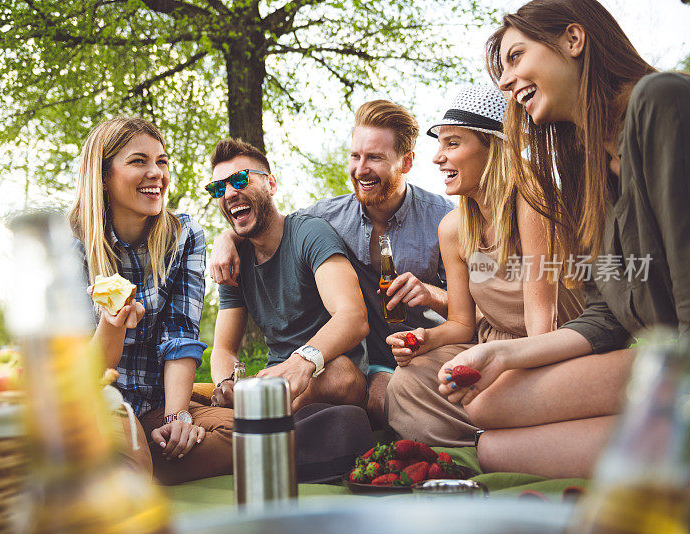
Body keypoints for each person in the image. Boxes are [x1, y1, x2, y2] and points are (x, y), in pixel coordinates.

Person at [437, 0, 689, 478]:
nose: (507, 82)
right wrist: (503, 353)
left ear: (573, 41)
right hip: (664, 367)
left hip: (680, 368)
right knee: (491, 433)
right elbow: (606, 316)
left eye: (515, 57)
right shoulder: (589, 169)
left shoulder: (662, 102)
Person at [210, 101, 454, 427]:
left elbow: (476, 309)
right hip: (379, 360)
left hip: (432, 345)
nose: (361, 168)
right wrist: (226, 239)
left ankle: (257, 420)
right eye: (355, 156)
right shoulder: (327, 216)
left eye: (375, 158)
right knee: (379, 403)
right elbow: (270, 224)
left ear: (406, 162)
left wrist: (430, 294)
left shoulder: (444, 218)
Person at [384, 85, 583, 447]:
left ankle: (509, 437)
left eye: (453, 143)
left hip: (550, 351)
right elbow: (461, 324)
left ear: (493, 149)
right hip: (490, 345)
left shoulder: (534, 200)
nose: (437, 157)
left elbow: (544, 322)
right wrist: (423, 341)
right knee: (406, 383)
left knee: (487, 397)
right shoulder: (453, 228)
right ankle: (495, 438)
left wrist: (502, 371)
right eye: (439, 144)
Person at [69, 117, 233, 485]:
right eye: (138, 161)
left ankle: (145, 449)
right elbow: (86, 376)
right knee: (130, 468)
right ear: (104, 176)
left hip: (159, 404)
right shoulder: (70, 246)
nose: (156, 173)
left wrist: (177, 419)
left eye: (161, 161)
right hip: (98, 402)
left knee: (259, 436)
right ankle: (129, 456)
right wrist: (112, 325)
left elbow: (180, 335)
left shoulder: (184, 235)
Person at [207, 138, 369, 413]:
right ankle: (259, 416)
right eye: (219, 187)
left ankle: (264, 419)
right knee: (190, 399)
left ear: (271, 184)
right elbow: (223, 349)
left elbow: (353, 317)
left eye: (240, 179)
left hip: (329, 369)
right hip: (274, 381)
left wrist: (302, 361)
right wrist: (226, 383)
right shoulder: (232, 259)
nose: (230, 193)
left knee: (340, 374)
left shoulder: (309, 233)